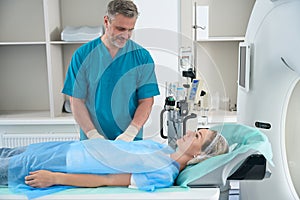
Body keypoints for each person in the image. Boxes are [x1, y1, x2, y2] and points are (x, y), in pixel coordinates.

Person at [0, 129, 228, 198]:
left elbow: (106, 180)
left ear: (199, 156)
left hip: (64, 163)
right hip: (65, 147)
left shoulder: (163, 173)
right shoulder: (160, 149)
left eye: (196, 137)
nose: (190, 132)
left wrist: (55, 178)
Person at [62, 0, 160, 141]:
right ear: (106, 21)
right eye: (120, 29)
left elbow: (146, 101)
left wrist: (130, 133)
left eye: (130, 29)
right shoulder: (83, 55)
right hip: (92, 142)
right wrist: (92, 134)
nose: (126, 35)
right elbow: (76, 100)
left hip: (130, 142)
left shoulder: (142, 57)